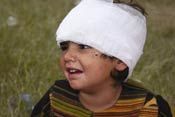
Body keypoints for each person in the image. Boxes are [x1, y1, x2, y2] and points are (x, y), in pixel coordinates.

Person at [31, 0, 172, 116]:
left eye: (83, 47)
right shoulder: (56, 99)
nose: (67, 56)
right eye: (64, 47)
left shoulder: (147, 108)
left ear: (120, 60)